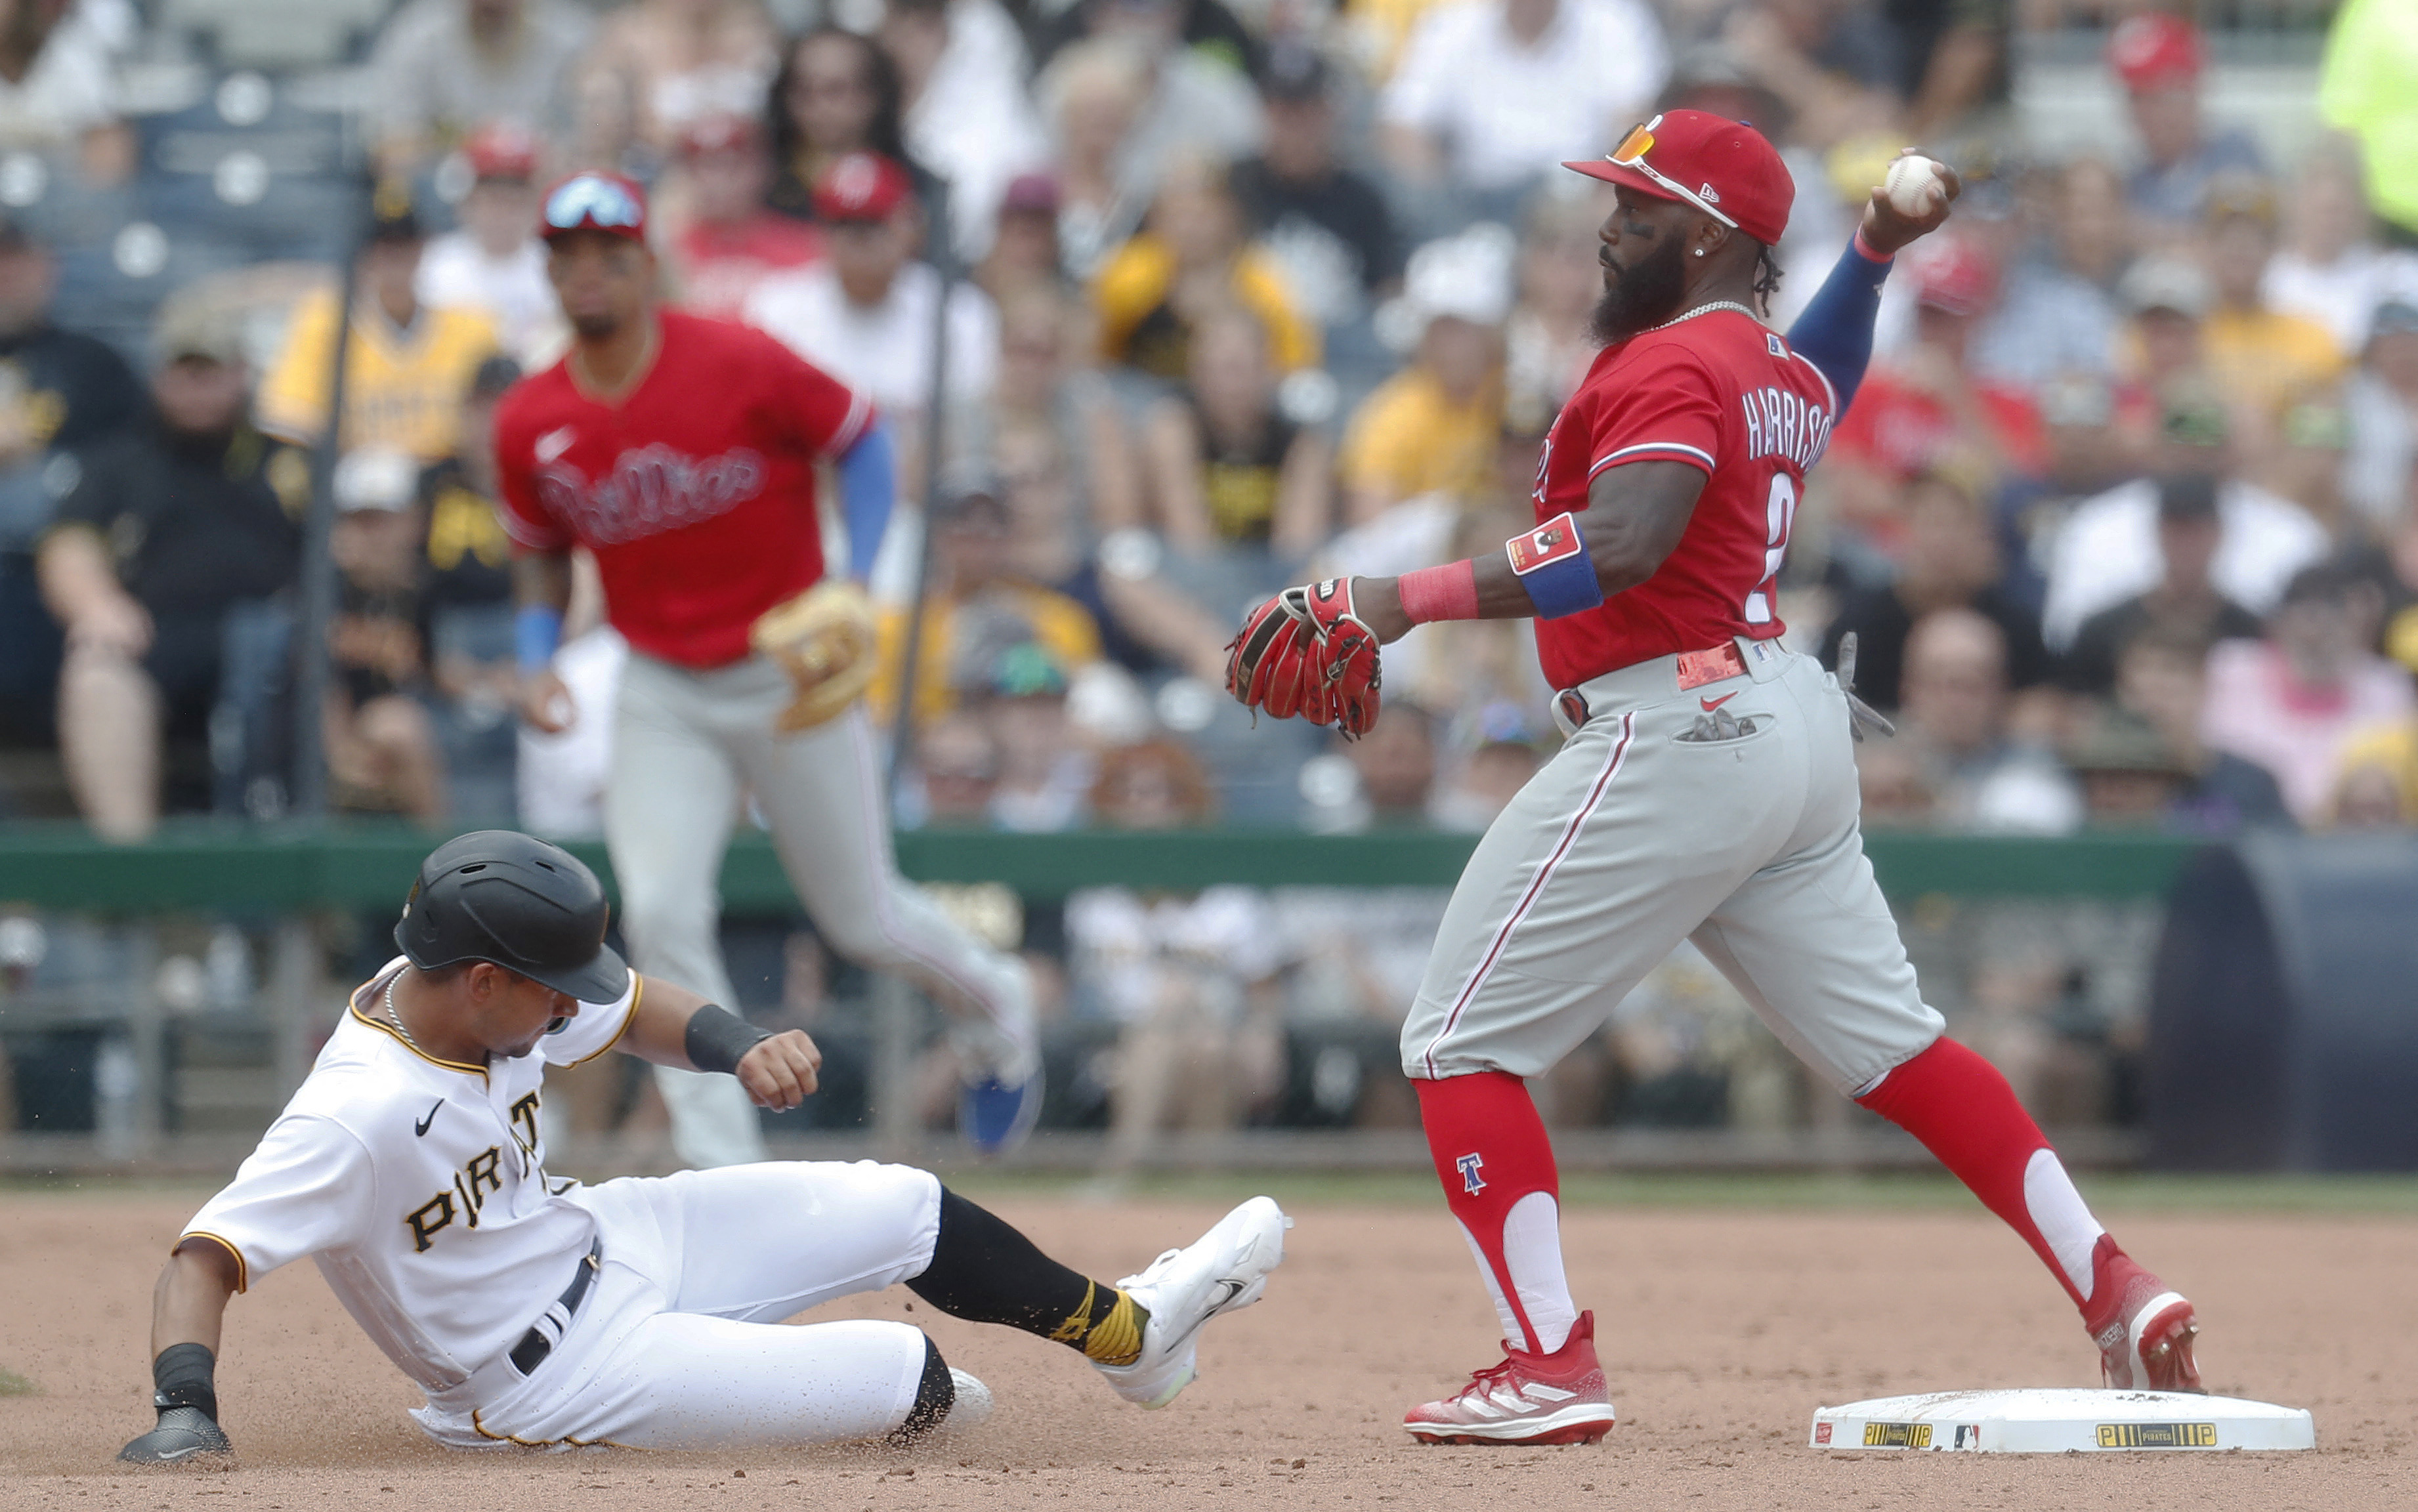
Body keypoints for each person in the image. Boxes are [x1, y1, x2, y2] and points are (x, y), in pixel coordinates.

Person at [1222, 113, 2206, 1444]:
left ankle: (1547, 1361)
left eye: (1634, 208)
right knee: (1901, 1050)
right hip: (1784, 726)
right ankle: (2112, 1283)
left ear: (1705, 234)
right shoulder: (1766, 369)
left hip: (1678, 726)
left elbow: (1624, 541)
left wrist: (1401, 597)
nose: (1607, 230)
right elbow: (1832, 371)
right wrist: (1872, 252)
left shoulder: (1673, 365)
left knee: (1455, 1041)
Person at [112, 831, 1290, 1463]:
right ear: (479, 978)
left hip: (612, 1234)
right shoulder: (354, 1111)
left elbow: (631, 1006)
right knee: (915, 1381)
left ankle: (1130, 1335)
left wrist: (734, 1043)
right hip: (541, 1376)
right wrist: (184, 1406)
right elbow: (203, 1254)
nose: (576, 1000)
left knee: (905, 1203)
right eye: (548, 982)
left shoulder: (457, 992)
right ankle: (712, 1367)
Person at [496, 171, 1045, 1162]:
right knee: (660, 915)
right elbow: (538, 548)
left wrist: (860, 575)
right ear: (548, 271)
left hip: (787, 669)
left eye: (609, 255)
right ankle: (726, 1169)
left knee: (865, 920)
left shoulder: (736, 358)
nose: (588, 274)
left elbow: (862, 438)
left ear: (646, 264)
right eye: (567, 258)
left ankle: (995, 1006)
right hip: (662, 680)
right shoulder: (529, 418)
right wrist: (537, 657)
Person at [34, 303, 305, 839]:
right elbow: (68, 547)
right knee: (95, 675)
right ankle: (135, 873)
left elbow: (343, 550)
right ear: (160, 376)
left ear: (241, 373)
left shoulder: (291, 464)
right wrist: (97, 605)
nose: (198, 389)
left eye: (212, 374)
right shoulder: (118, 462)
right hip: (155, 643)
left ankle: (298, 880)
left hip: (274, 648)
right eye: (186, 374)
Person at [746, 151, 998, 510]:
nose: (860, 240)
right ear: (821, 231)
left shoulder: (960, 314)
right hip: (809, 508)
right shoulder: (775, 309)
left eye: (873, 224)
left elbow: (969, 435)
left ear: (909, 226)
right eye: (845, 225)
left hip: (928, 512)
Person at [258, 188, 501, 464]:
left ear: (424, 248)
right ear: (361, 254)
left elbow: (496, 425)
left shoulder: (474, 327)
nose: (394, 261)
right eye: (382, 249)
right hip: (353, 483)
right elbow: (288, 418)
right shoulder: (324, 321)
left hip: (446, 482)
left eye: (404, 247)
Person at [1378, 0, 1668, 214]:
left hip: (1578, 203)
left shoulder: (1614, 22)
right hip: (1475, 201)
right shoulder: (1451, 25)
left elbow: (1637, 125)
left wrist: (1606, 197)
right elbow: (1402, 127)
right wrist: (1440, 200)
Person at [1816, 467, 2051, 711]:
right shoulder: (1861, 623)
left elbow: (2043, 697)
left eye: (1955, 523)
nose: (1941, 539)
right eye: (1930, 522)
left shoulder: (2013, 622)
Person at [2199, 559, 2413, 825]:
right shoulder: (2230, 670)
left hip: (2351, 845)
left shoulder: (2388, 688)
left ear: (2359, 624)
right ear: (2278, 622)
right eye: (2307, 614)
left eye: (2334, 616)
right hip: (2244, 836)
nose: (2319, 632)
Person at [1229, 43, 1406, 336]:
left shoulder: (1363, 200)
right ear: (1264, 113)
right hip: (1250, 346)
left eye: (1308, 111)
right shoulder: (1233, 188)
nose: (1297, 126)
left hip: (1342, 348)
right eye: (1284, 111)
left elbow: (1388, 293)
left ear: (1329, 113)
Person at [1336, 227, 1511, 521]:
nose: (1448, 346)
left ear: (1492, 334)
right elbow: (1372, 531)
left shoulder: (1519, 403)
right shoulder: (1391, 415)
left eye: (1461, 330)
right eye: (1437, 330)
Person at [1092, 155, 1318, 381]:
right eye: (1178, 216)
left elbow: (1297, 361)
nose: (1190, 229)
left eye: (1202, 215)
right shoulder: (1132, 272)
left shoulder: (1258, 278)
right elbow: (1094, 348)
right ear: (1155, 220)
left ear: (1228, 216)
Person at [1141, 306, 1332, 556]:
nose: (1234, 385)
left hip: (1270, 579)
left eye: (1246, 368)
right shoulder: (1173, 428)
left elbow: (1297, 549)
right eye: (1223, 369)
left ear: (1270, 372)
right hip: (1192, 574)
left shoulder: (1301, 442)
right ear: (1197, 372)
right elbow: (1188, 539)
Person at [2058, 472, 2262, 700]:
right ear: (2157, 534)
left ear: (2218, 535)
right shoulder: (2101, 632)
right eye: (2175, 531)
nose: (2185, 544)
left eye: (2196, 532)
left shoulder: (2250, 633)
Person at [370, 0, 595, 175]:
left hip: (548, 198)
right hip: (449, 205)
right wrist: (477, 147)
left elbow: (598, 146)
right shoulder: (417, 36)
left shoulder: (570, 38)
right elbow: (390, 150)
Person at [415, 123, 564, 368]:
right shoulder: (436, 265)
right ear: (469, 202)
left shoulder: (554, 266)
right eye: (493, 200)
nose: (502, 213)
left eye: (514, 201)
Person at [2106, 12, 2264, 238]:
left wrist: (2143, 233)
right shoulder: (2135, 179)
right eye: (2134, 97)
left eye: (2154, 96)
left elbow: (2239, 249)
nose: (2142, 112)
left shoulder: (2234, 154)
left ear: (2191, 92)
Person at [663, 114, 824, 322]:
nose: (715, 180)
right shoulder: (668, 250)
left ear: (762, 169)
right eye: (702, 166)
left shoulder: (806, 246)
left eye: (730, 166)